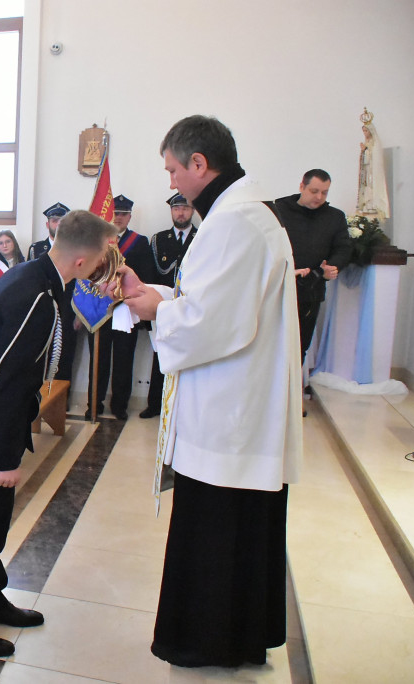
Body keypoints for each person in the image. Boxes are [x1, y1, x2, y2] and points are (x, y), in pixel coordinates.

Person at [119, 115, 302, 668]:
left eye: (174, 169)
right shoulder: (239, 216)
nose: (172, 181)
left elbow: (212, 324)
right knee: (239, 533)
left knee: (219, 534)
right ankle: (238, 638)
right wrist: (156, 292)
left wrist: (156, 309)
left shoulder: (237, 224)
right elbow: (211, 298)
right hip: (238, 407)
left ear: (201, 165)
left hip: (231, 416)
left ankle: (207, 641)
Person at [0, 209, 113, 658]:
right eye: (95, 263)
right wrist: (4, 457)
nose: (94, 272)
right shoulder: (35, 294)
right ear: (80, 261)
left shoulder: (42, 279)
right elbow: (3, 383)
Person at [85, 194, 155, 420]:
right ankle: (94, 404)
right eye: (115, 214)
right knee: (99, 359)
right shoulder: (96, 242)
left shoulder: (139, 241)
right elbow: (85, 277)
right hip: (100, 309)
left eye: (123, 214)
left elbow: (145, 277)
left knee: (124, 359)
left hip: (126, 309)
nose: (118, 218)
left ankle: (120, 405)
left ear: (129, 217)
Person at [274, 170, 352, 367]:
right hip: (279, 288)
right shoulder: (278, 210)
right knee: (275, 345)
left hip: (312, 290)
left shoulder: (334, 217)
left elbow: (343, 248)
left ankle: (292, 394)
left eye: (324, 193)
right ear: (302, 186)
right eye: (314, 191)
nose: (319, 197)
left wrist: (332, 267)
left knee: (300, 345)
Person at [141, 193, 196, 419]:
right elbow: (151, 275)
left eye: (185, 208)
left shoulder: (201, 236)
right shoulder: (158, 240)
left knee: (188, 357)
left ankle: (183, 408)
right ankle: (155, 405)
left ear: (192, 210)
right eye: (176, 209)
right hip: (162, 307)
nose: (180, 213)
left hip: (190, 306)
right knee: (160, 355)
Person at [28, 202, 78, 395]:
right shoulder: (36, 249)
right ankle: (38, 395)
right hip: (42, 310)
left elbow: (81, 283)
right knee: (40, 354)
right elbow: (29, 281)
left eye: (62, 221)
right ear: (47, 223)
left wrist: (79, 314)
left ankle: (61, 400)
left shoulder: (76, 249)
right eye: (54, 220)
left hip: (68, 310)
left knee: (65, 356)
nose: (58, 224)